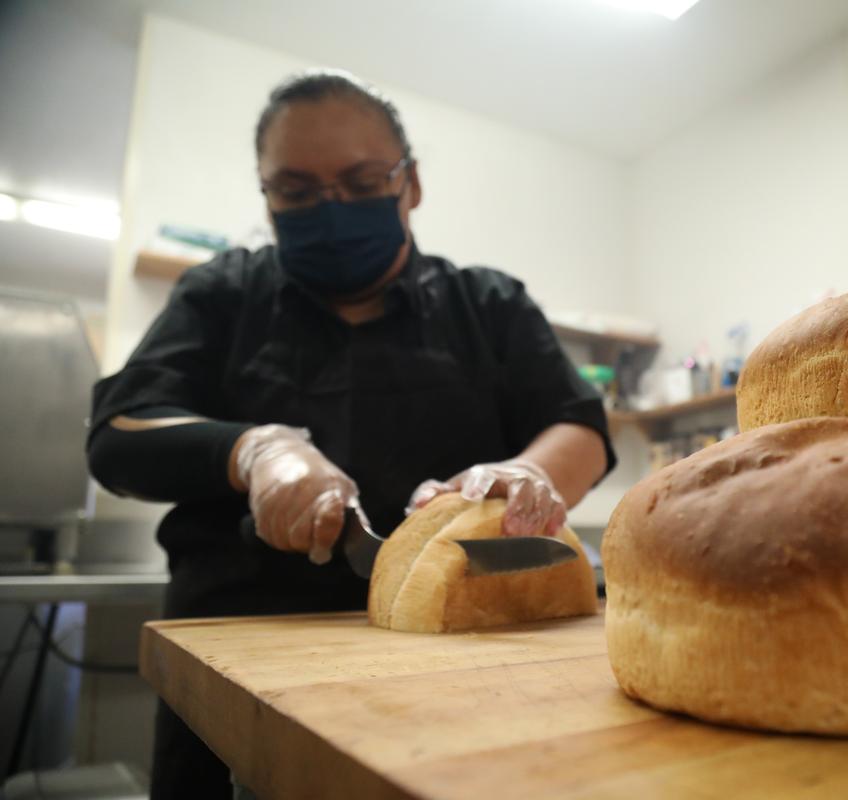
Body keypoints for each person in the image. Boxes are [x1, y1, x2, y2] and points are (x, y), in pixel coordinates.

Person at [86, 69, 615, 800]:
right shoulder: (222, 294)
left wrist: (525, 474)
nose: (329, 210)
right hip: (234, 652)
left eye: (363, 180)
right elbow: (119, 431)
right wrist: (256, 449)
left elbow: (578, 423)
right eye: (297, 193)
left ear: (411, 183)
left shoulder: (488, 302)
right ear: (266, 197)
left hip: (461, 661)